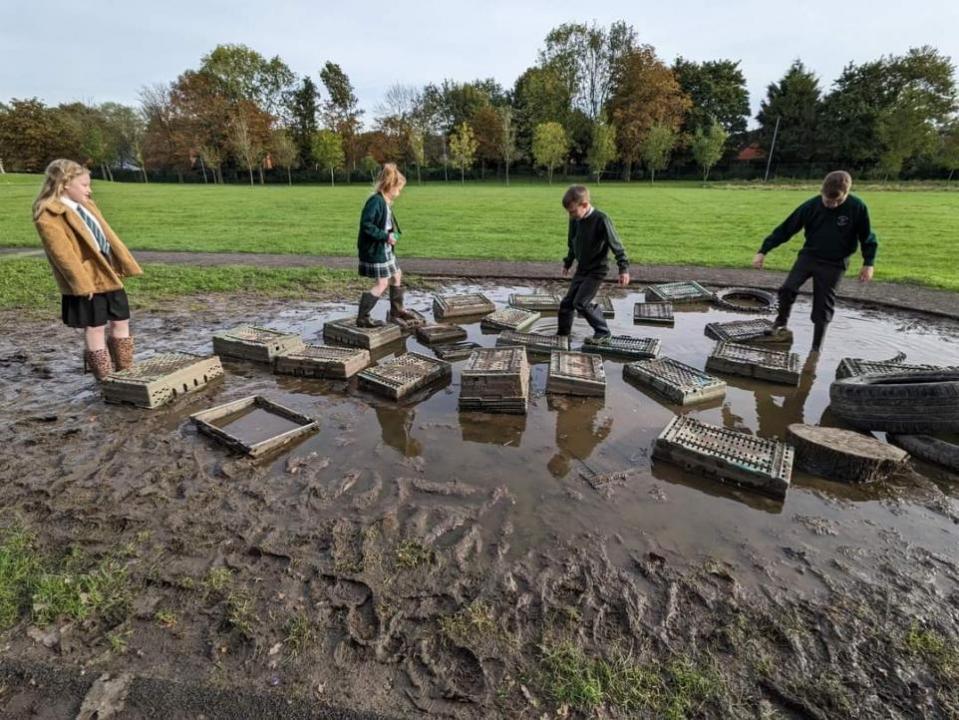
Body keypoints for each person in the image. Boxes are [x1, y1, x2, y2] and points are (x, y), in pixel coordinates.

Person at [33, 159, 143, 380]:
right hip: (85, 278)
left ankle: (126, 372)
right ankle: (105, 379)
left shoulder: (86, 205)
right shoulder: (49, 214)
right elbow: (62, 255)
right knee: (95, 327)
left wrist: (120, 262)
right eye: (84, 185)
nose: (89, 189)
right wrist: (81, 284)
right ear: (64, 184)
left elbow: (105, 235)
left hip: (107, 270)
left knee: (121, 319)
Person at [753, 170, 877, 351]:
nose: (832, 205)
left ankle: (816, 347)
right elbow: (786, 229)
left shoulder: (857, 207)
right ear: (822, 192)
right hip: (809, 256)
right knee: (787, 288)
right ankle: (780, 323)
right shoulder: (810, 206)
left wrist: (869, 263)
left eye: (838, 201)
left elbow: (867, 237)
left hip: (835, 262)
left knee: (822, 306)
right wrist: (763, 251)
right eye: (828, 201)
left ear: (847, 193)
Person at [557, 185, 630, 344]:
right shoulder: (575, 220)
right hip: (582, 268)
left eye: (573, 211)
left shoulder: (601, 219)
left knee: (580, 303)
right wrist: (568, 262)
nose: (570, 215)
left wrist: (623, 269)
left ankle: (603, 332)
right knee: (567, 304)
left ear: (584, 205)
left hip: (597, 270)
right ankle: (562, 335)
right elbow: (572, 243)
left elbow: (616, 245)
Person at [356, 163, 414, 327]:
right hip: (375, 250)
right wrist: (386, 237)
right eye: (399, 188)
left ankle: (396, 311)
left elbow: (384, 225)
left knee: (397, 275)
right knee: (382, 283)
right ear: (390, 186)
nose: (400, 192)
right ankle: (363, 317)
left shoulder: (385, 201)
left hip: (384, 248)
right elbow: (367, 226)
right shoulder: (375, 201)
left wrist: (392, 235)